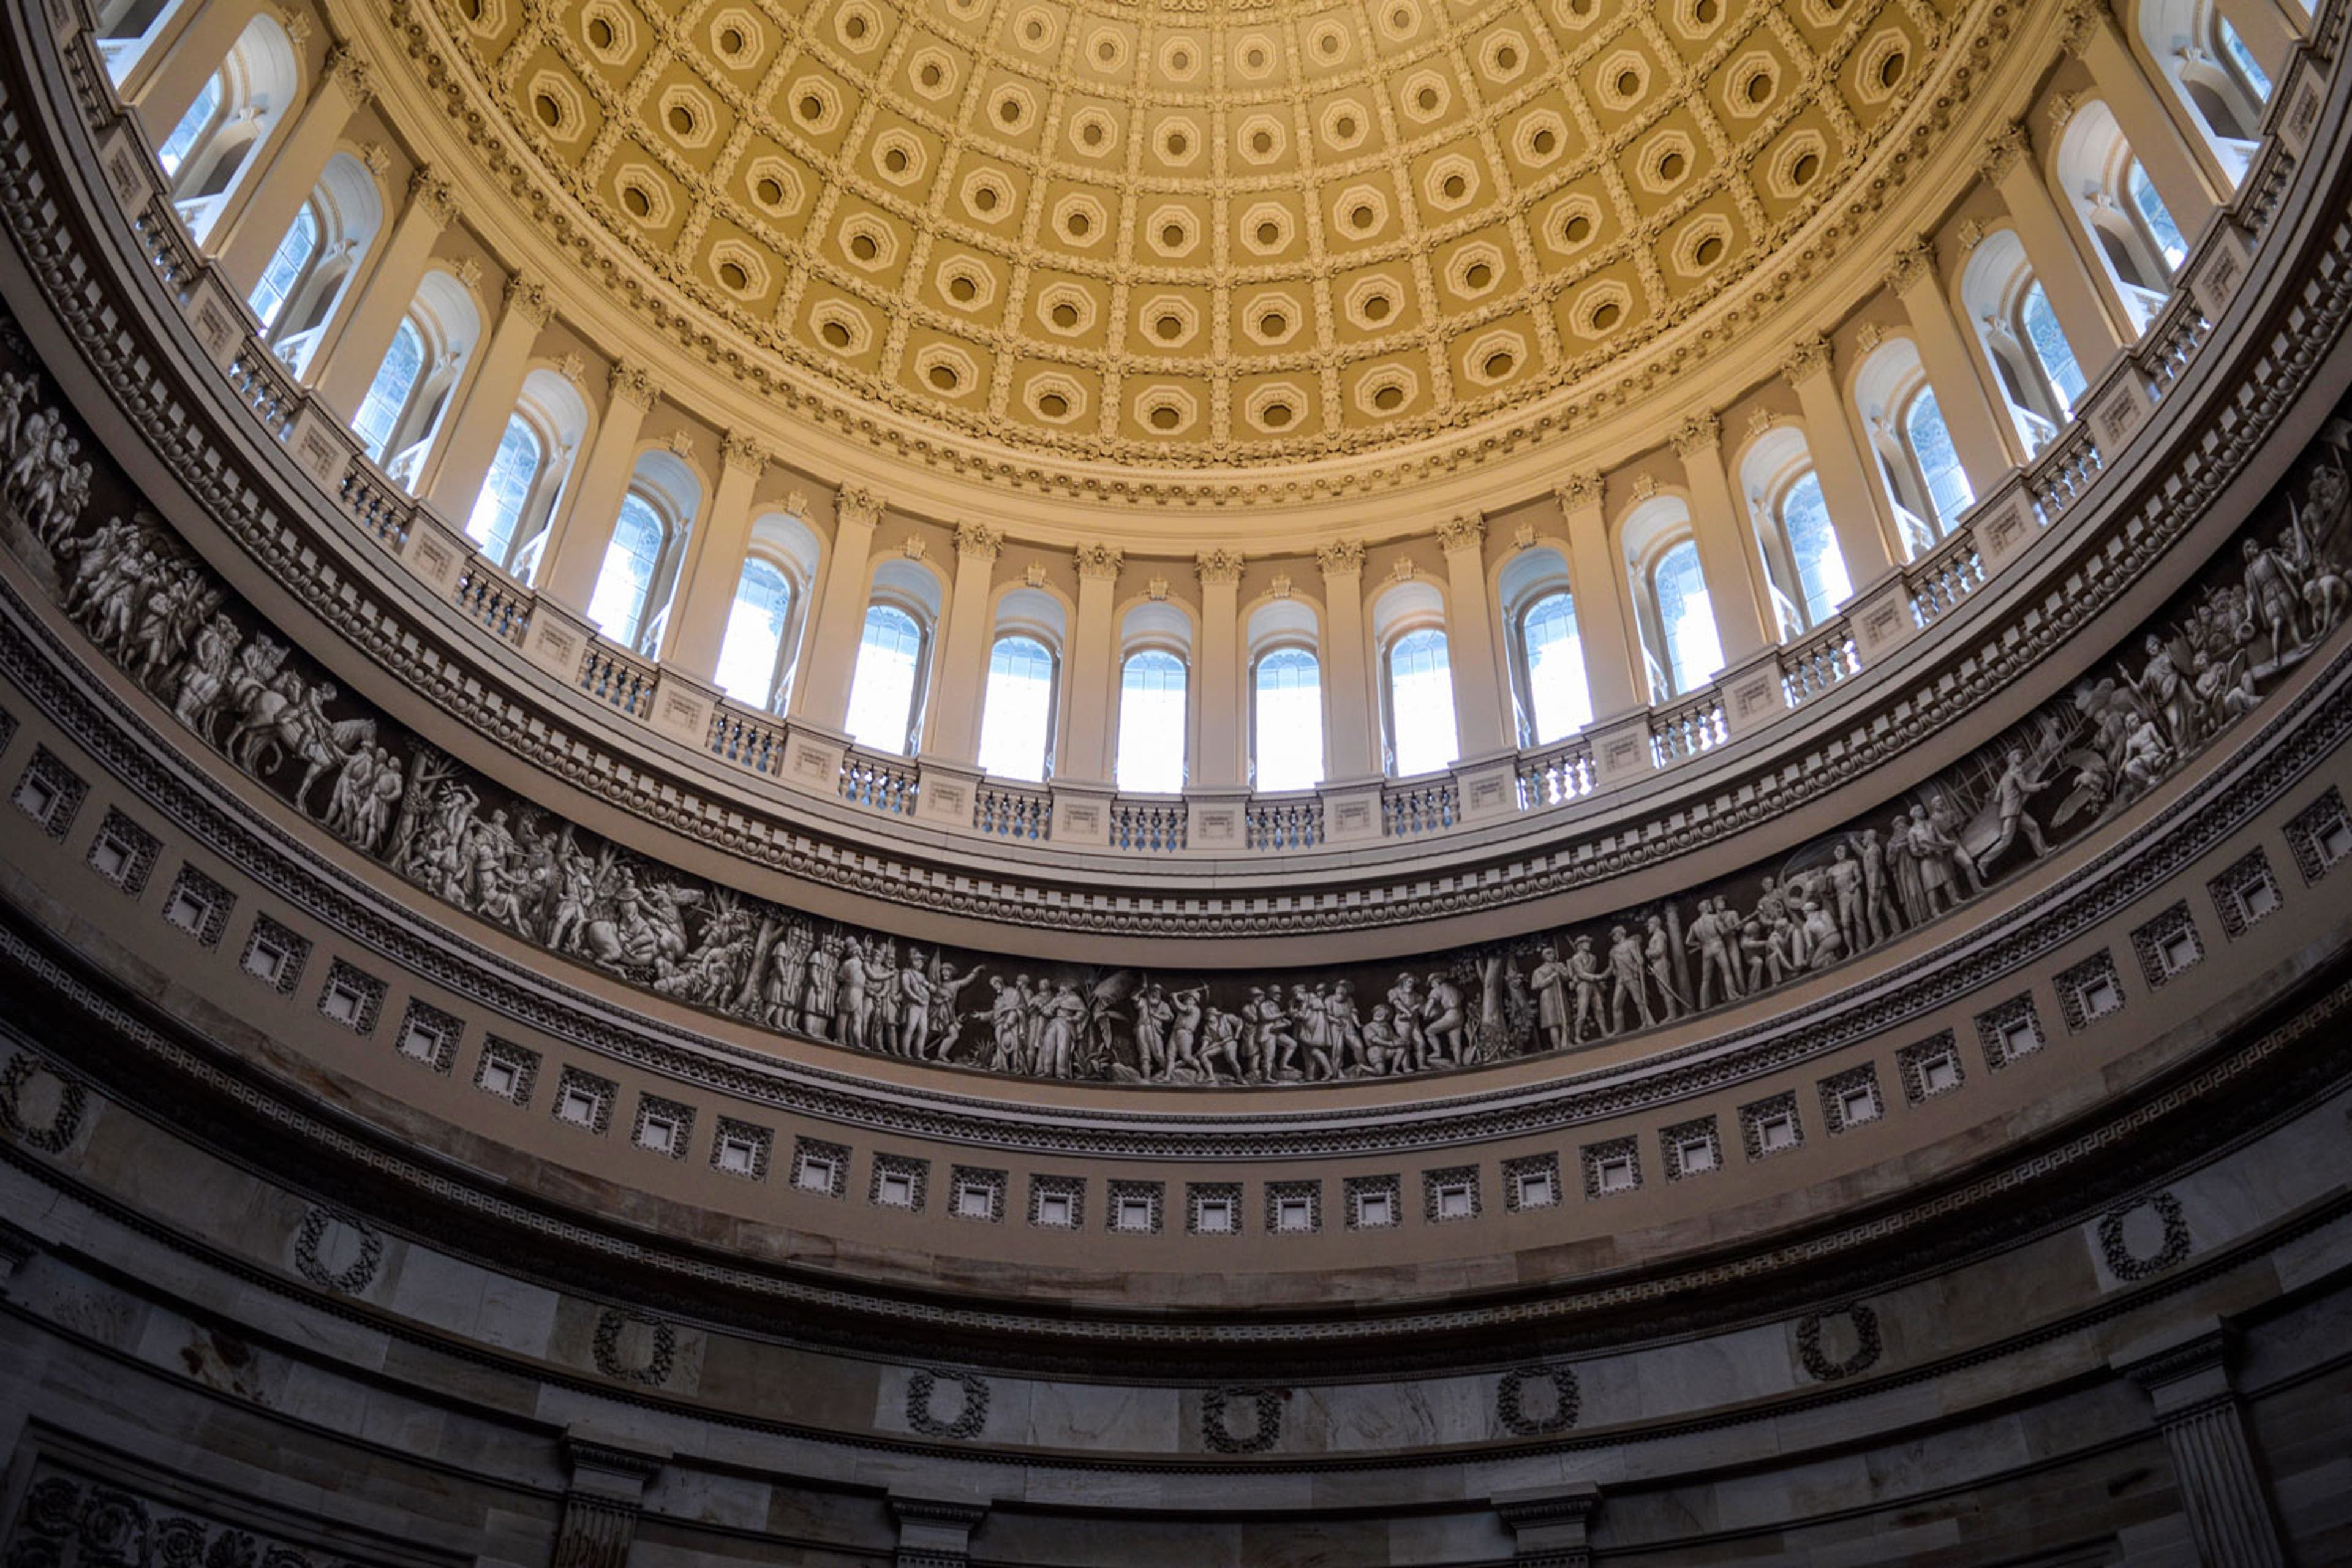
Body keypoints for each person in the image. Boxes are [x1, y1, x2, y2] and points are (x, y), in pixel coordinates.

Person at [1528, 945, 1574, 1055]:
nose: (1551, 956)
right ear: (1544, 957)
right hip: (1548, 997)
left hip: (1560, 994)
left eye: (1552, 953)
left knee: (1565, 1019)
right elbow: (1536, 986)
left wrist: (1561, 971)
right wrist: (1551, 978)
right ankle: (1556, 1046)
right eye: (1548, 954)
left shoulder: (1560, 965)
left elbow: (1567, 977)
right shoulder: (1539, 970)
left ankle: (1567, 1042)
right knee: (1553, 1023)